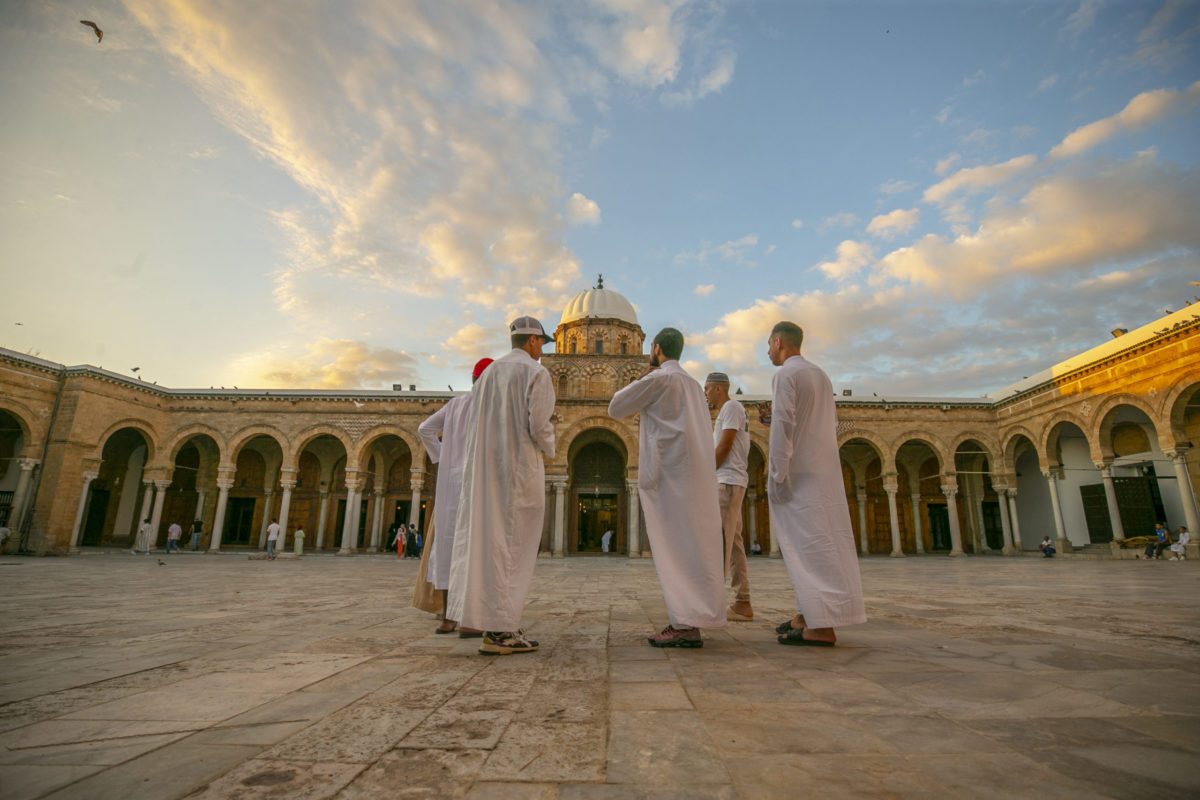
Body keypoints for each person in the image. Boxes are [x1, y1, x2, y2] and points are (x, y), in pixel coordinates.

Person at [609, 327, 726, 648]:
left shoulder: (659, 378)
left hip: (668, 477)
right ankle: (695, 618)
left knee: (673, 550)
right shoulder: (693, 385)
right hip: (695, 477)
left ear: (656, 348)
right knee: (693, 548)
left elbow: (615, 407)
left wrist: (643, 376)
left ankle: (684, 625)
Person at [447, 316, 556, 656]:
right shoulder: (536, 372)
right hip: (518, 471)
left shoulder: (489, 374)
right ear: (532, 341)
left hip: (485, 472)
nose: (542, 350)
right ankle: (500, 631)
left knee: (490, 545)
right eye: (542, 343)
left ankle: (493, 623)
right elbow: (539, 425)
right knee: (515, 548)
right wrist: (551, 448)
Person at [766, 321, 866, 647]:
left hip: (799, 475)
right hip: (824, 473)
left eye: (768, 345)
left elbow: (782, 425)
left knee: (804, 550)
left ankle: (821, 628)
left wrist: (778, 474)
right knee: (820, 546)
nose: (768, 351)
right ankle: (809, 615)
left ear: (779, 343)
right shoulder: (820, 375)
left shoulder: (785, 375)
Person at [419, 357, 493, 635]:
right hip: (479, 480)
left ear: (473, 380)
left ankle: (448, 617)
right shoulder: (492, 407)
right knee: (476, 546)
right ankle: (471, 621)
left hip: (451, 484)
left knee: (448, 545)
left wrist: (443, 456)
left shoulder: (454, 405)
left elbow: (424, 429)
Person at [704, 371, 755, 622]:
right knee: (733, 543)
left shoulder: (731, 407)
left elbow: (724, 446)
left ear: (718, 389)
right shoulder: (728, 411)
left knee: (720, 542)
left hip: (727, 482)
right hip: (730, 481)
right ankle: (742, 601)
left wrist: (705, 473)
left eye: (706, 388)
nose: (704, 393)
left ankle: (712, 604)